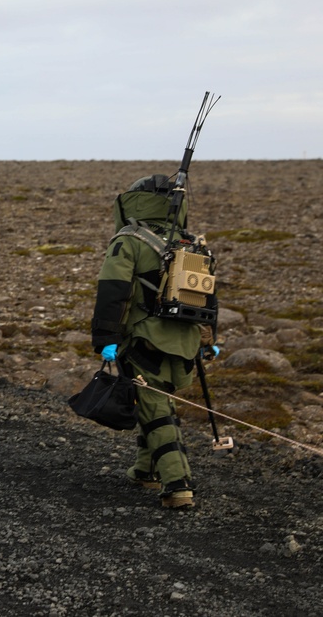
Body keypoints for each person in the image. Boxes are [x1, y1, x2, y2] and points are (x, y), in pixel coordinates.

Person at [90, 174, 217, 509]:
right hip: (185, 343)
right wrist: (206, 343)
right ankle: (145, 471)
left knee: (157, 411)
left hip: (145, 341)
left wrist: (105, 338)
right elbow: (207, 299)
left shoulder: (128, 240)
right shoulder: (189, 243)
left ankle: (177, 486)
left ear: (131, 201)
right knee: (155, 403)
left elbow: (113, 292)